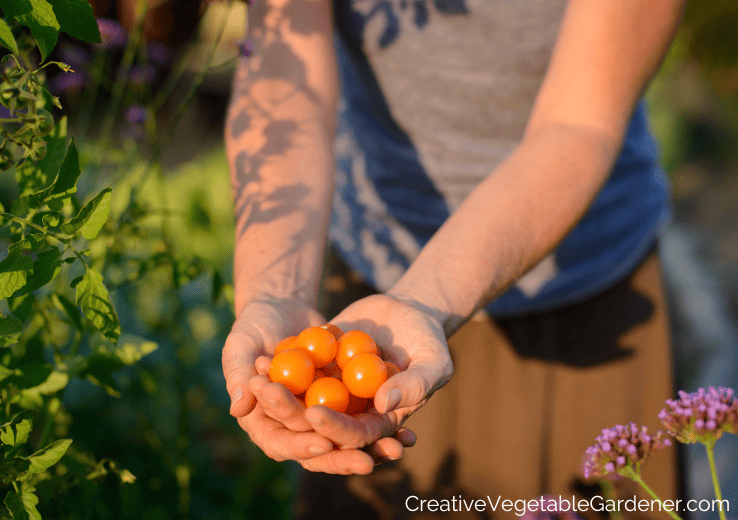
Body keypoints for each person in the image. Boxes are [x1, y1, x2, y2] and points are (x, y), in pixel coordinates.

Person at [221, 0, 685, 518]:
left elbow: (578, 125)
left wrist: (424, 299)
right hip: (375, 285)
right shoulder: (350, 343)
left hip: (584, 288)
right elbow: (286, 72)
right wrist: (277, 291)